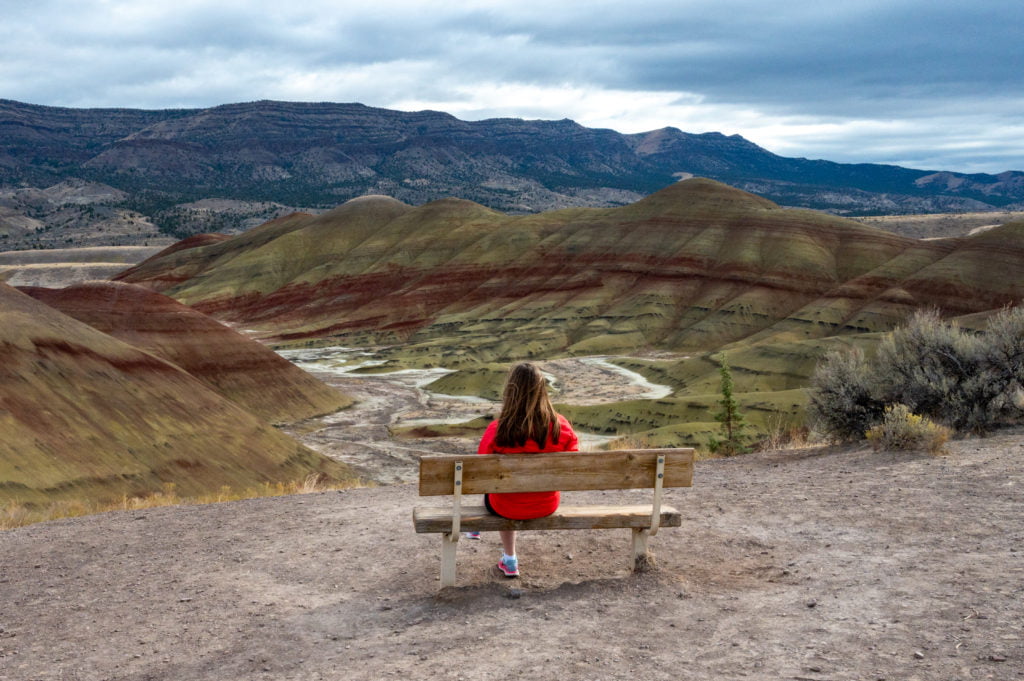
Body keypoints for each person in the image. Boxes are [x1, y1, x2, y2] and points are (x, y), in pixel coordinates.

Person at [473, 362, 579, 577]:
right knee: (505, 493)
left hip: (505, 506)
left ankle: (510, 559)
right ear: (542, 390)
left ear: (510, 391)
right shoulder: (561, 426)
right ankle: (506, 555)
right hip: (547, 503)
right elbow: (574, 464)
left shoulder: (498, 429)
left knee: (500, 493)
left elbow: (480, 469)